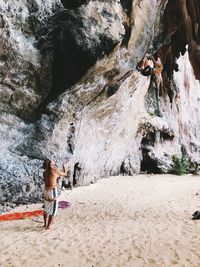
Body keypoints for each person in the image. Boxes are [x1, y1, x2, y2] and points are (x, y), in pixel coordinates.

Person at [42, 159, 68, 230]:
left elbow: (50, 180)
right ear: (50, 165)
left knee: (46, 208)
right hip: (52, 191)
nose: (55, 164)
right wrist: (65, 167)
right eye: (53, 163)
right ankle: (48, 226)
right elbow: (65, 174)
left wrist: (57, 179)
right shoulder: (54, 170)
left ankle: (45, 224)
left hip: (46, 191)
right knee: (53, 210)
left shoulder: (44, 172)